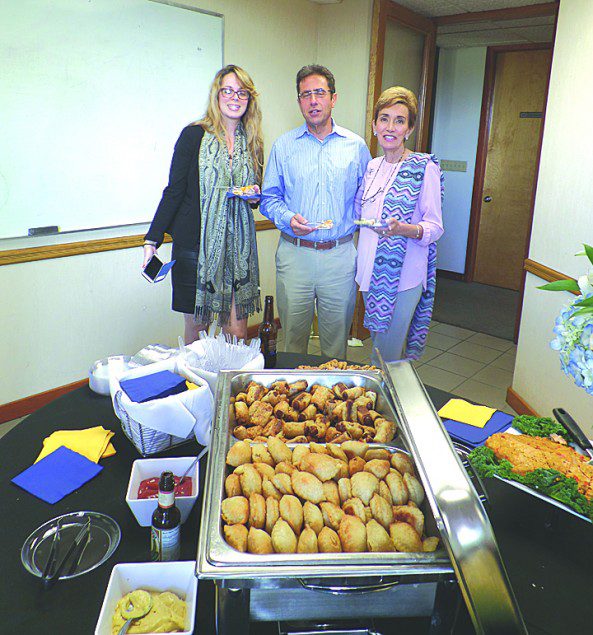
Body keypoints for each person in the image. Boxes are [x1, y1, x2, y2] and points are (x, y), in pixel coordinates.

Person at [143, 65, 264, 344]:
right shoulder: (193, 135)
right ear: (216, 94)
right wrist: (152, 239)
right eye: (228, 91)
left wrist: (254, 197)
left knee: (237, 333)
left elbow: (255, 195)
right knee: (198, 330)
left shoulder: (253, 141)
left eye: (242, 92)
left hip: (238, 250)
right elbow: (174, 190)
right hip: (195, 247)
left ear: (249, 98)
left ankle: (229, 375)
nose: (235, 98)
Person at [261, 65, 371, 359]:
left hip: (339, 257)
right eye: (305, 95)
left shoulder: (356, 147)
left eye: (319, 93)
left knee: (335, 347)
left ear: (333, 98)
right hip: (295, 255)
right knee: (292, 344)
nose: (313, 101)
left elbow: (368, 199)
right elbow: (269, 199)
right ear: (299, 101)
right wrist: (287, 218)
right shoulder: (284, 146)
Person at [355, 86, 444, 364]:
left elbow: (435, 227)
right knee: (380, 348)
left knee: (386, 357)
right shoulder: (372, 166)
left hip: (403, 278)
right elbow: (361, 212)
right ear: (374, 125)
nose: (390, 127)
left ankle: (385, 392)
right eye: (384, 119)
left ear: (409, 129)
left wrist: (402, 229)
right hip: (369, 272)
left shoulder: (424, 167)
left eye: (399, 120)